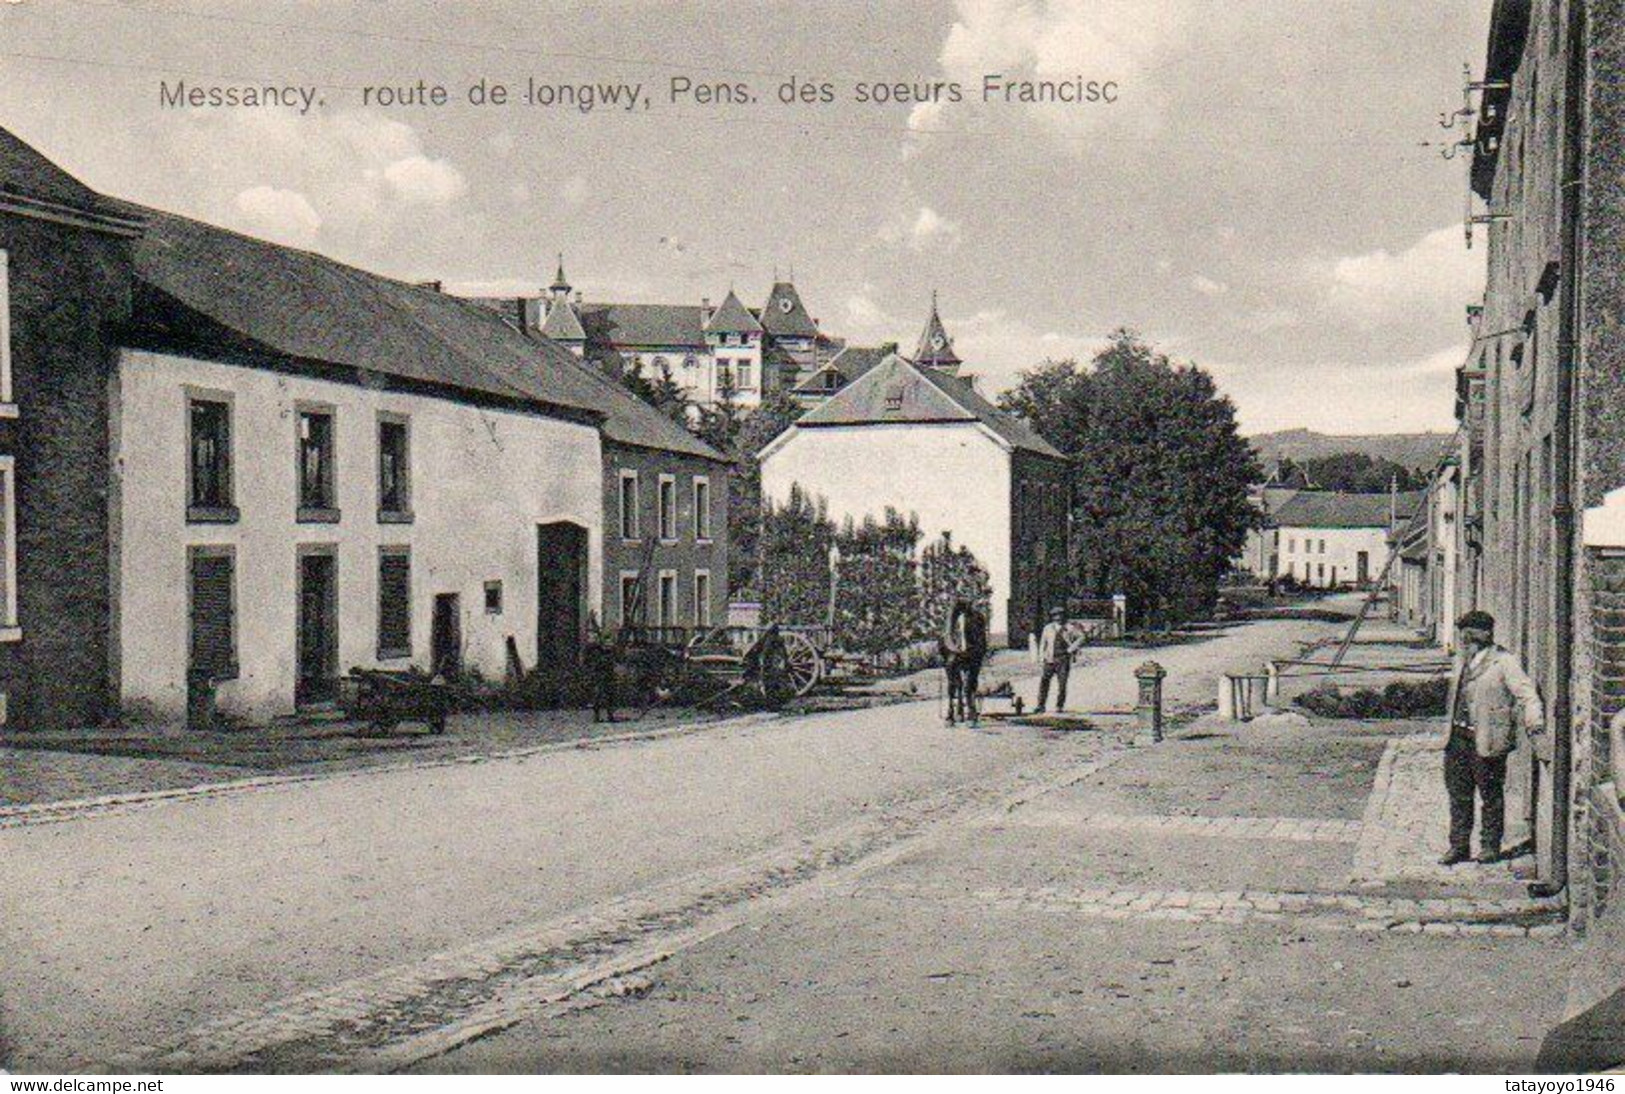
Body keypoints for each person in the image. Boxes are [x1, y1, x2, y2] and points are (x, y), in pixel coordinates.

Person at [1439, 610, 1545, 866]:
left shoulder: (1504, 662)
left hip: (1487, 739)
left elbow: (1527, 694)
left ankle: (1490, 846)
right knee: (1459, 794)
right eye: (1464, 634)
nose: (1466, 639)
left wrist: (1536, 724)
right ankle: (1459, 846)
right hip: (1457, 738)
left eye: (1472, 633)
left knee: (1491, 795)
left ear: (1487, 634)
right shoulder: (1462, 660)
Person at [1035, 607, 1075, 713]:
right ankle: (1040, 705)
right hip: (1050, 659)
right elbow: (1043, 643)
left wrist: (1071, 649)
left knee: (1062, 683)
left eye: (1060, 615)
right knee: (1044, 682)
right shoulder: (1048, 628)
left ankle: (1059, 706)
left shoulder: (1069, 628)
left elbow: (1081, 637)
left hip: (1063, 659)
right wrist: (1041, 656)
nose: (1058, 618)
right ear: (1052, 617)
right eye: (1055, 615)